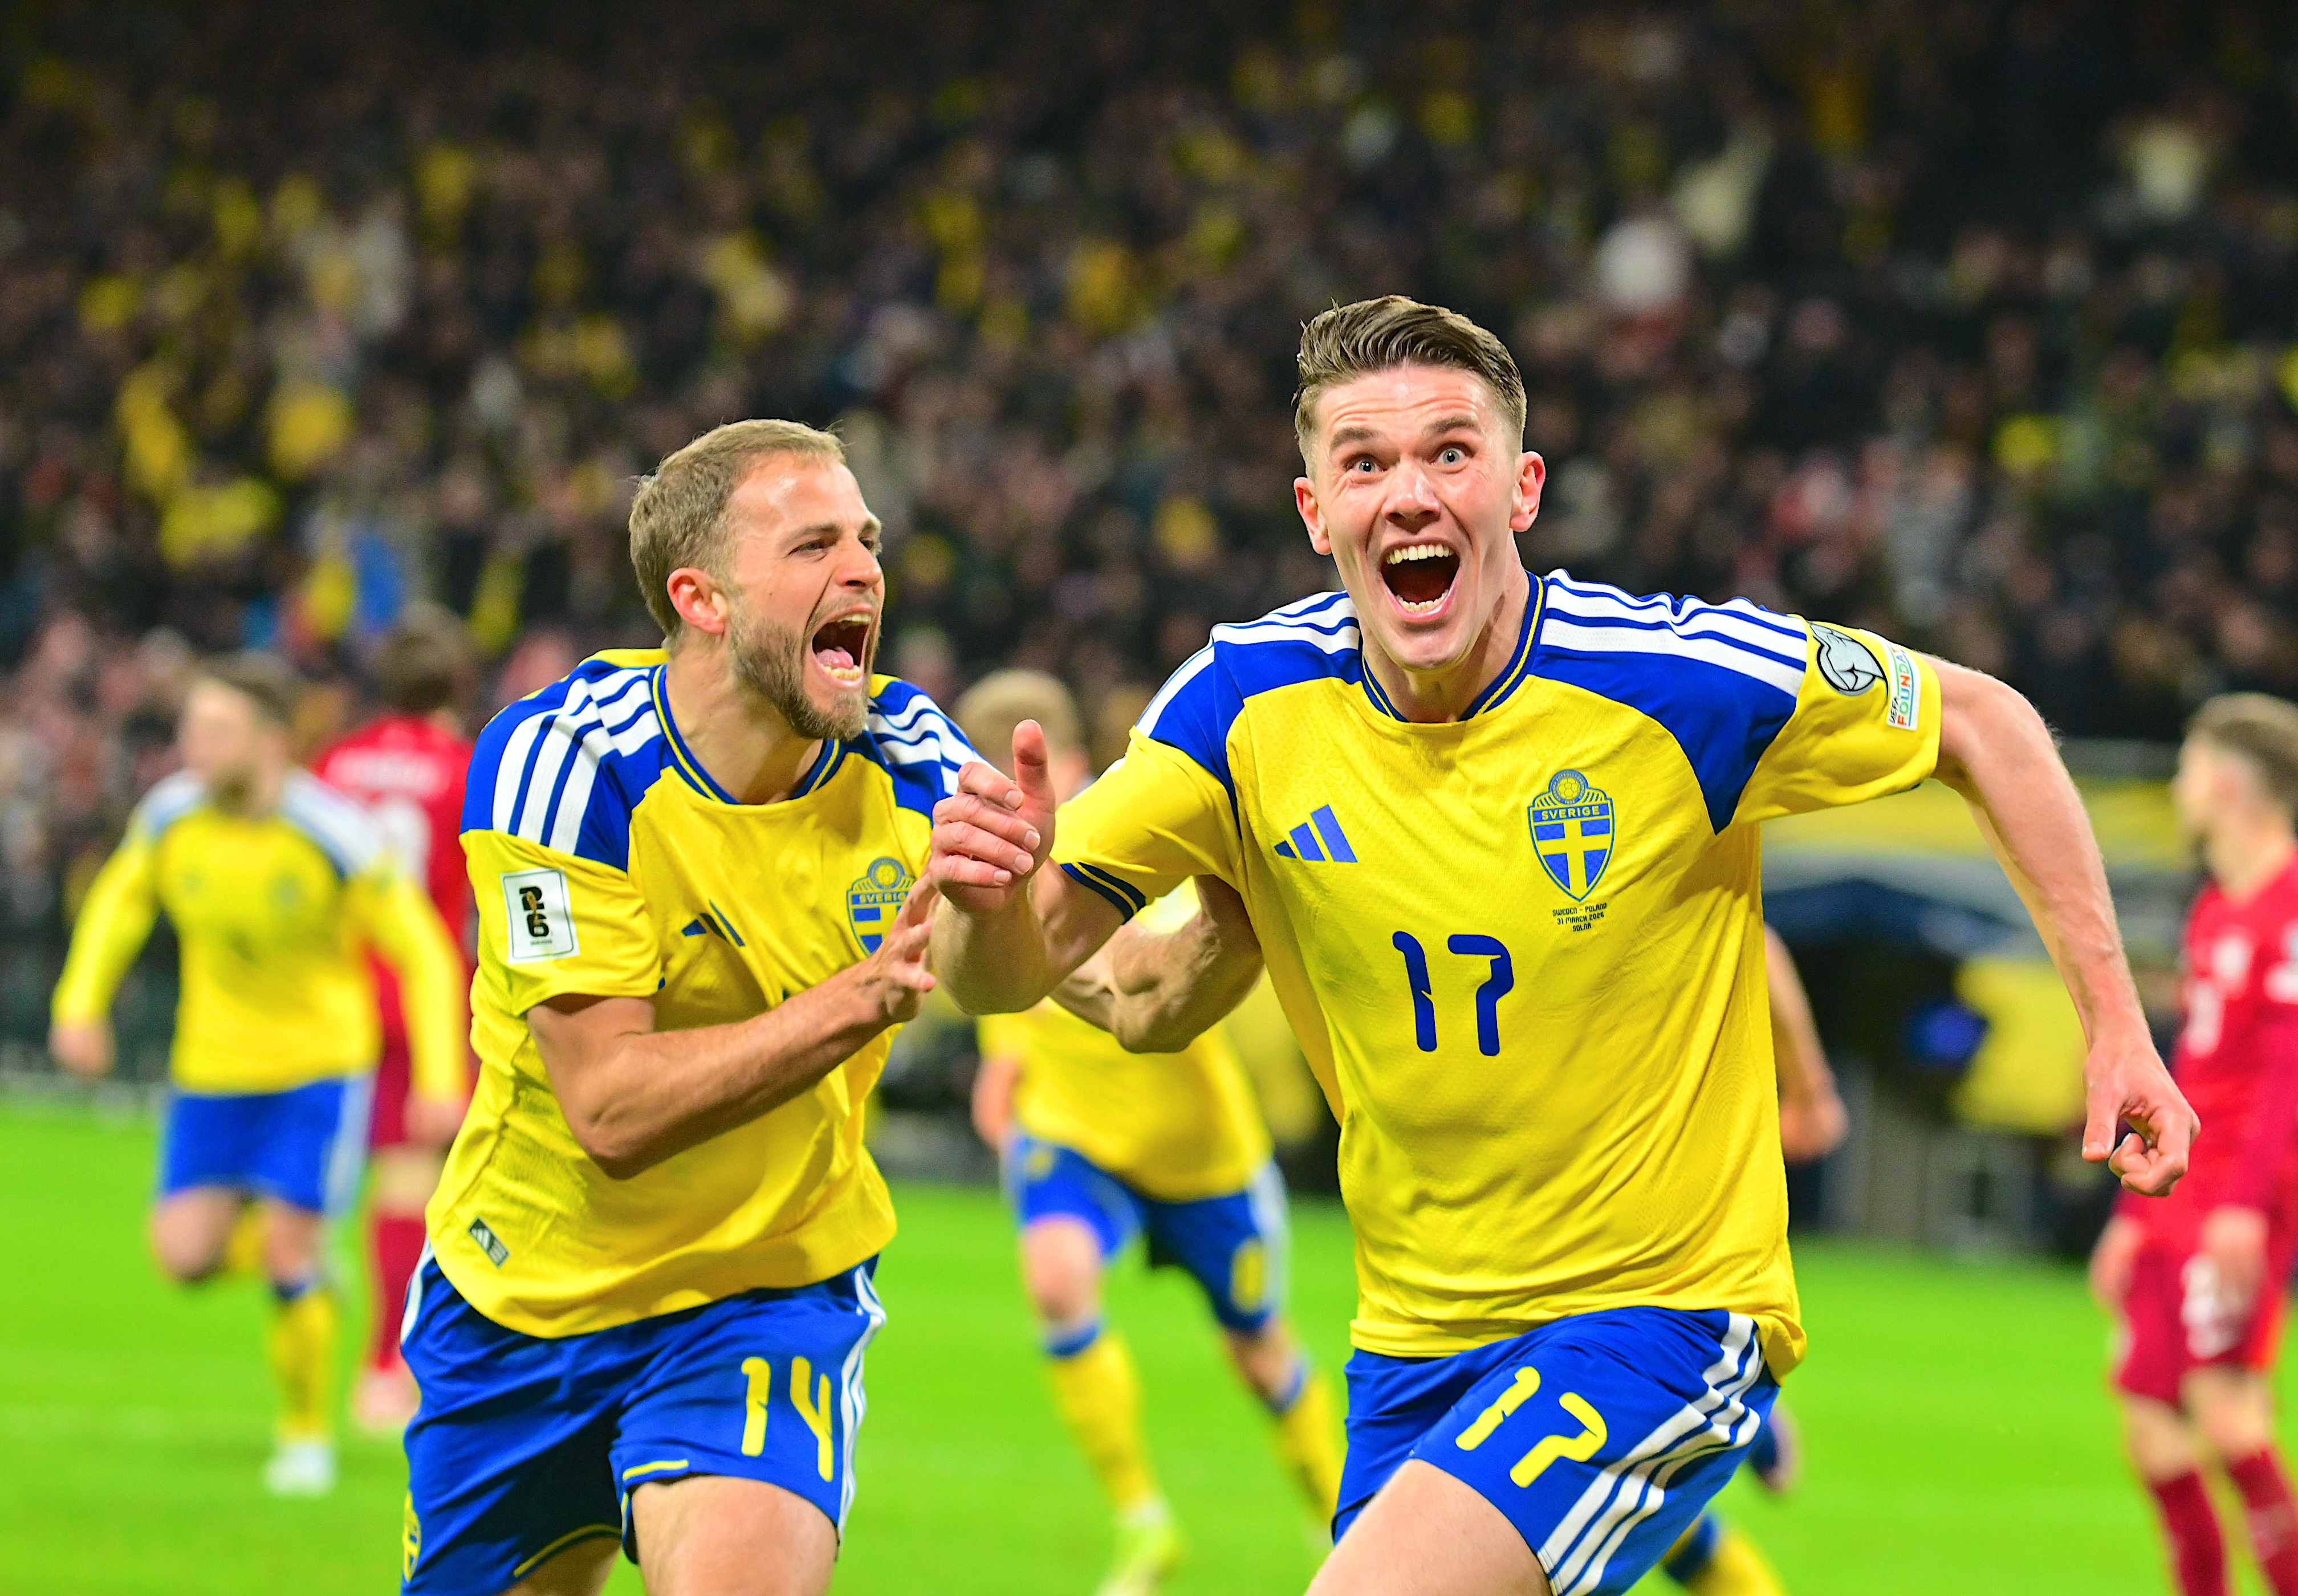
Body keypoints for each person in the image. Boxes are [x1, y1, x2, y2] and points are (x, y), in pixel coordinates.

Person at [926, 295, 2196, 1596]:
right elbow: (1015, 975)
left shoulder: (1676, 682)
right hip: (1411, 1342)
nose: (1409, 495)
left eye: (1450, 453)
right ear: (1315, 513)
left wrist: (2116, 1029)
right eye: (1364, 463)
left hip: (1659, 1311)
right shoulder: (1240, 708)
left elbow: (1984, 724)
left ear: (1522, 489)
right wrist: (982, 902)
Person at [399, 419, 971, 1596]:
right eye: (814, 545)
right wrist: (862, 997)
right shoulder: (564, 766)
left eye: (867, 540)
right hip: (523, 1300)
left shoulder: (914, 756)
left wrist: (1177, 927)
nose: (864, 570)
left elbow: (1076, 960)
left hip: (761, 1291)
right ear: (700, 599)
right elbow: (610, 1108)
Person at [954, 669, 1343, 1596]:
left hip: (1203, 1161)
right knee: (1057, 1284)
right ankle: (1142, 1523)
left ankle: (1344, 1526)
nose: (1015, 808)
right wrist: (1002, 1082)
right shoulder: (996, 876)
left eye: (1024, 779)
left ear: (1071, 765)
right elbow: (1007, 1004)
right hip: (1075, 1142)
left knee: (1260, 1356)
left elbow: (1166, 980)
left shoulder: (1128, 853)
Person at [49, 651, 465, 1497]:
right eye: (192, 728)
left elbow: (420, 947)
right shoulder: (171, 815)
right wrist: (79, 1005)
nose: (196, 746)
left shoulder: (332, 831)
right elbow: (122, 900)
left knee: (285, 1249)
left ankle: (305, 1435)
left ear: (272, 740)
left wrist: (438, 1071)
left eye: (218, 730)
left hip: (317, 1072)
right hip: (210, 1071)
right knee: (183, 1255)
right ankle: (302, 1260)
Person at [2090, 694, 2298, 1596]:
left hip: (2243, 1196)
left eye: (2190, 766)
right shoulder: (2214, 907)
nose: (2178, 785)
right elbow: (2188, 1080)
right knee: (2149, 1428)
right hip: (2178, 1198)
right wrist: (2132, 1214)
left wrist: (2244, 1209)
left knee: (2229, 1415)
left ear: (2232, 783)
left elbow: (2290, 1078)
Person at [314, 603, 480, 1431]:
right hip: (424, 997)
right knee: (416, 1180)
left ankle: (370, 1351)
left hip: (333, 992)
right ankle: (389, 1366)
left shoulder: (335, 762)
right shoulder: (464, 767)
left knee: (343, 1172)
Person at [1654, 926, 1841, 1596]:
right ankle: (1728, 1392)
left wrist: (1809, 1085)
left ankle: (1724, 1384)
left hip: (1639, 1148)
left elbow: (1754, 939)